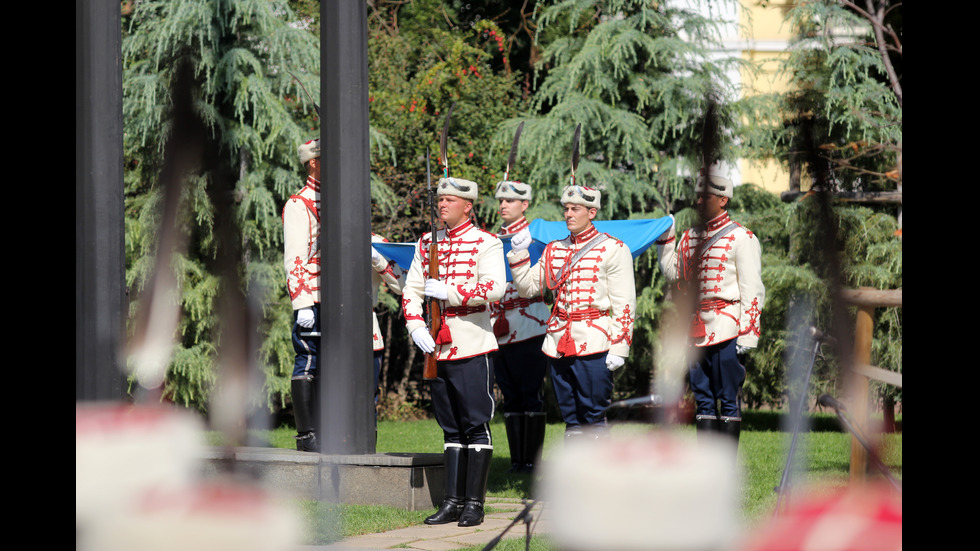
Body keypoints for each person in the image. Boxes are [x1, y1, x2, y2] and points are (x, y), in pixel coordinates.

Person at [402, 177, 505, 527]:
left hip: (472, 343)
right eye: (440, 199)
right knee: (450, 428)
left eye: (450, 200)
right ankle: (452, 501)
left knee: (476, 424)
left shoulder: (486, 242)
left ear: (468, 206)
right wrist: (415, 325)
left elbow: (495, 286)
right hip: (437, 346)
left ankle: (474, 503)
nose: (442, 205)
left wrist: (451, 291)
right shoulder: (426, 242)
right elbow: (411, 289)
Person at [508, 184, 636, 439]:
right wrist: (518, 253)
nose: (568, 214)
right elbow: (527, 288)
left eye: (575, 209)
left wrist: (620, 346)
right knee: (571, 418)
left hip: (595, 342)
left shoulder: (613, 248)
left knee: (593, 416)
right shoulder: (554, 249)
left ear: (592, 212)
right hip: (557, 341)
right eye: (566, 208)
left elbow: (624, 304)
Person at [656, 167, 765, 446]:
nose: (699, 202)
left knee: (727, 399)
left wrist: (748, 333)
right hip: (696, 327)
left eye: (705, 197)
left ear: (723, 199)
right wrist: (666, 240)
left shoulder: (742, 237)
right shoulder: (690, 236)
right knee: (702, 397)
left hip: (728, 327)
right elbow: (673, 272)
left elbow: (752, 289)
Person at [490, 180, 550, 473]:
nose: (503, 205)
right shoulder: (489, 240)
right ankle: (517, 462)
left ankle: (533, 461)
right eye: (501, 200)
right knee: (510, 396)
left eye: (510, 201)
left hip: (531, 325)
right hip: (500, 329)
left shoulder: (538, 238)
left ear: (524, 205)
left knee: (530, 392)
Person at [282, 138, 322, 452]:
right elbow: (295, 257)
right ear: (312, 162)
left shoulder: (337, 199)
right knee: (308, 360)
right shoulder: (300, 203)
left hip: (338, 297)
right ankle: (308, 436)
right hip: (314, 296)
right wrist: (302, 302)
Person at [371, 233, 404, 424]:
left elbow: (402, 285)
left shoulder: (377, 242)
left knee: (368, 395)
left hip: (365, 326)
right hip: (328, 324)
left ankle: (366, 448)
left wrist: (378, 261)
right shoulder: (319, 237)